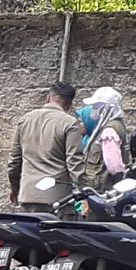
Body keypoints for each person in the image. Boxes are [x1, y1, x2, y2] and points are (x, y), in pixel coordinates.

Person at [9, 82, 84, 211]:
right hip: (58, 197)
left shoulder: (25, 120)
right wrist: (85, 191)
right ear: (69, 105)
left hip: (28, 194)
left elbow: (14, 161)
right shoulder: (70, 123)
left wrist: (15, 188)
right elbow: (74, 163)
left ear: (48, 97)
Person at [76, 85, 128, 183]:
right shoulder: (116, 125)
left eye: (96, 106)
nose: (93, 109)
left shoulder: (109, 130)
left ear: (106, 107)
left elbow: (114, 166)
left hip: (103, 186)